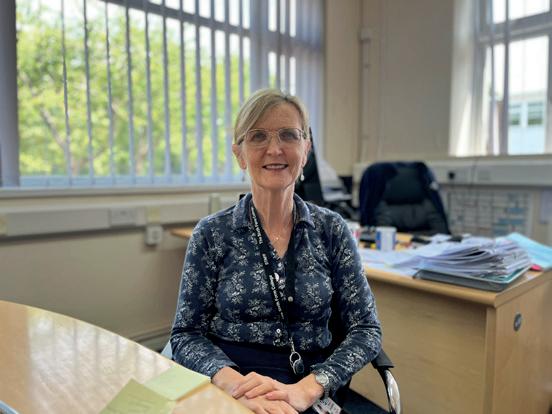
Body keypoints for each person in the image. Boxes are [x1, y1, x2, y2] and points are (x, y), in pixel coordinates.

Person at [170, 88, 382, 413]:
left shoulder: (332, 230)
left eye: (288, 135)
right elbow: (186, 333)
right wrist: (235, 386)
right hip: (231, 385)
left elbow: (366, 330)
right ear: (240, 154)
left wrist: (307, 390)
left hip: (307, 385)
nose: (274, 149)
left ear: (305, 150)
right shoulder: (212, 233)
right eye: (258, 136)